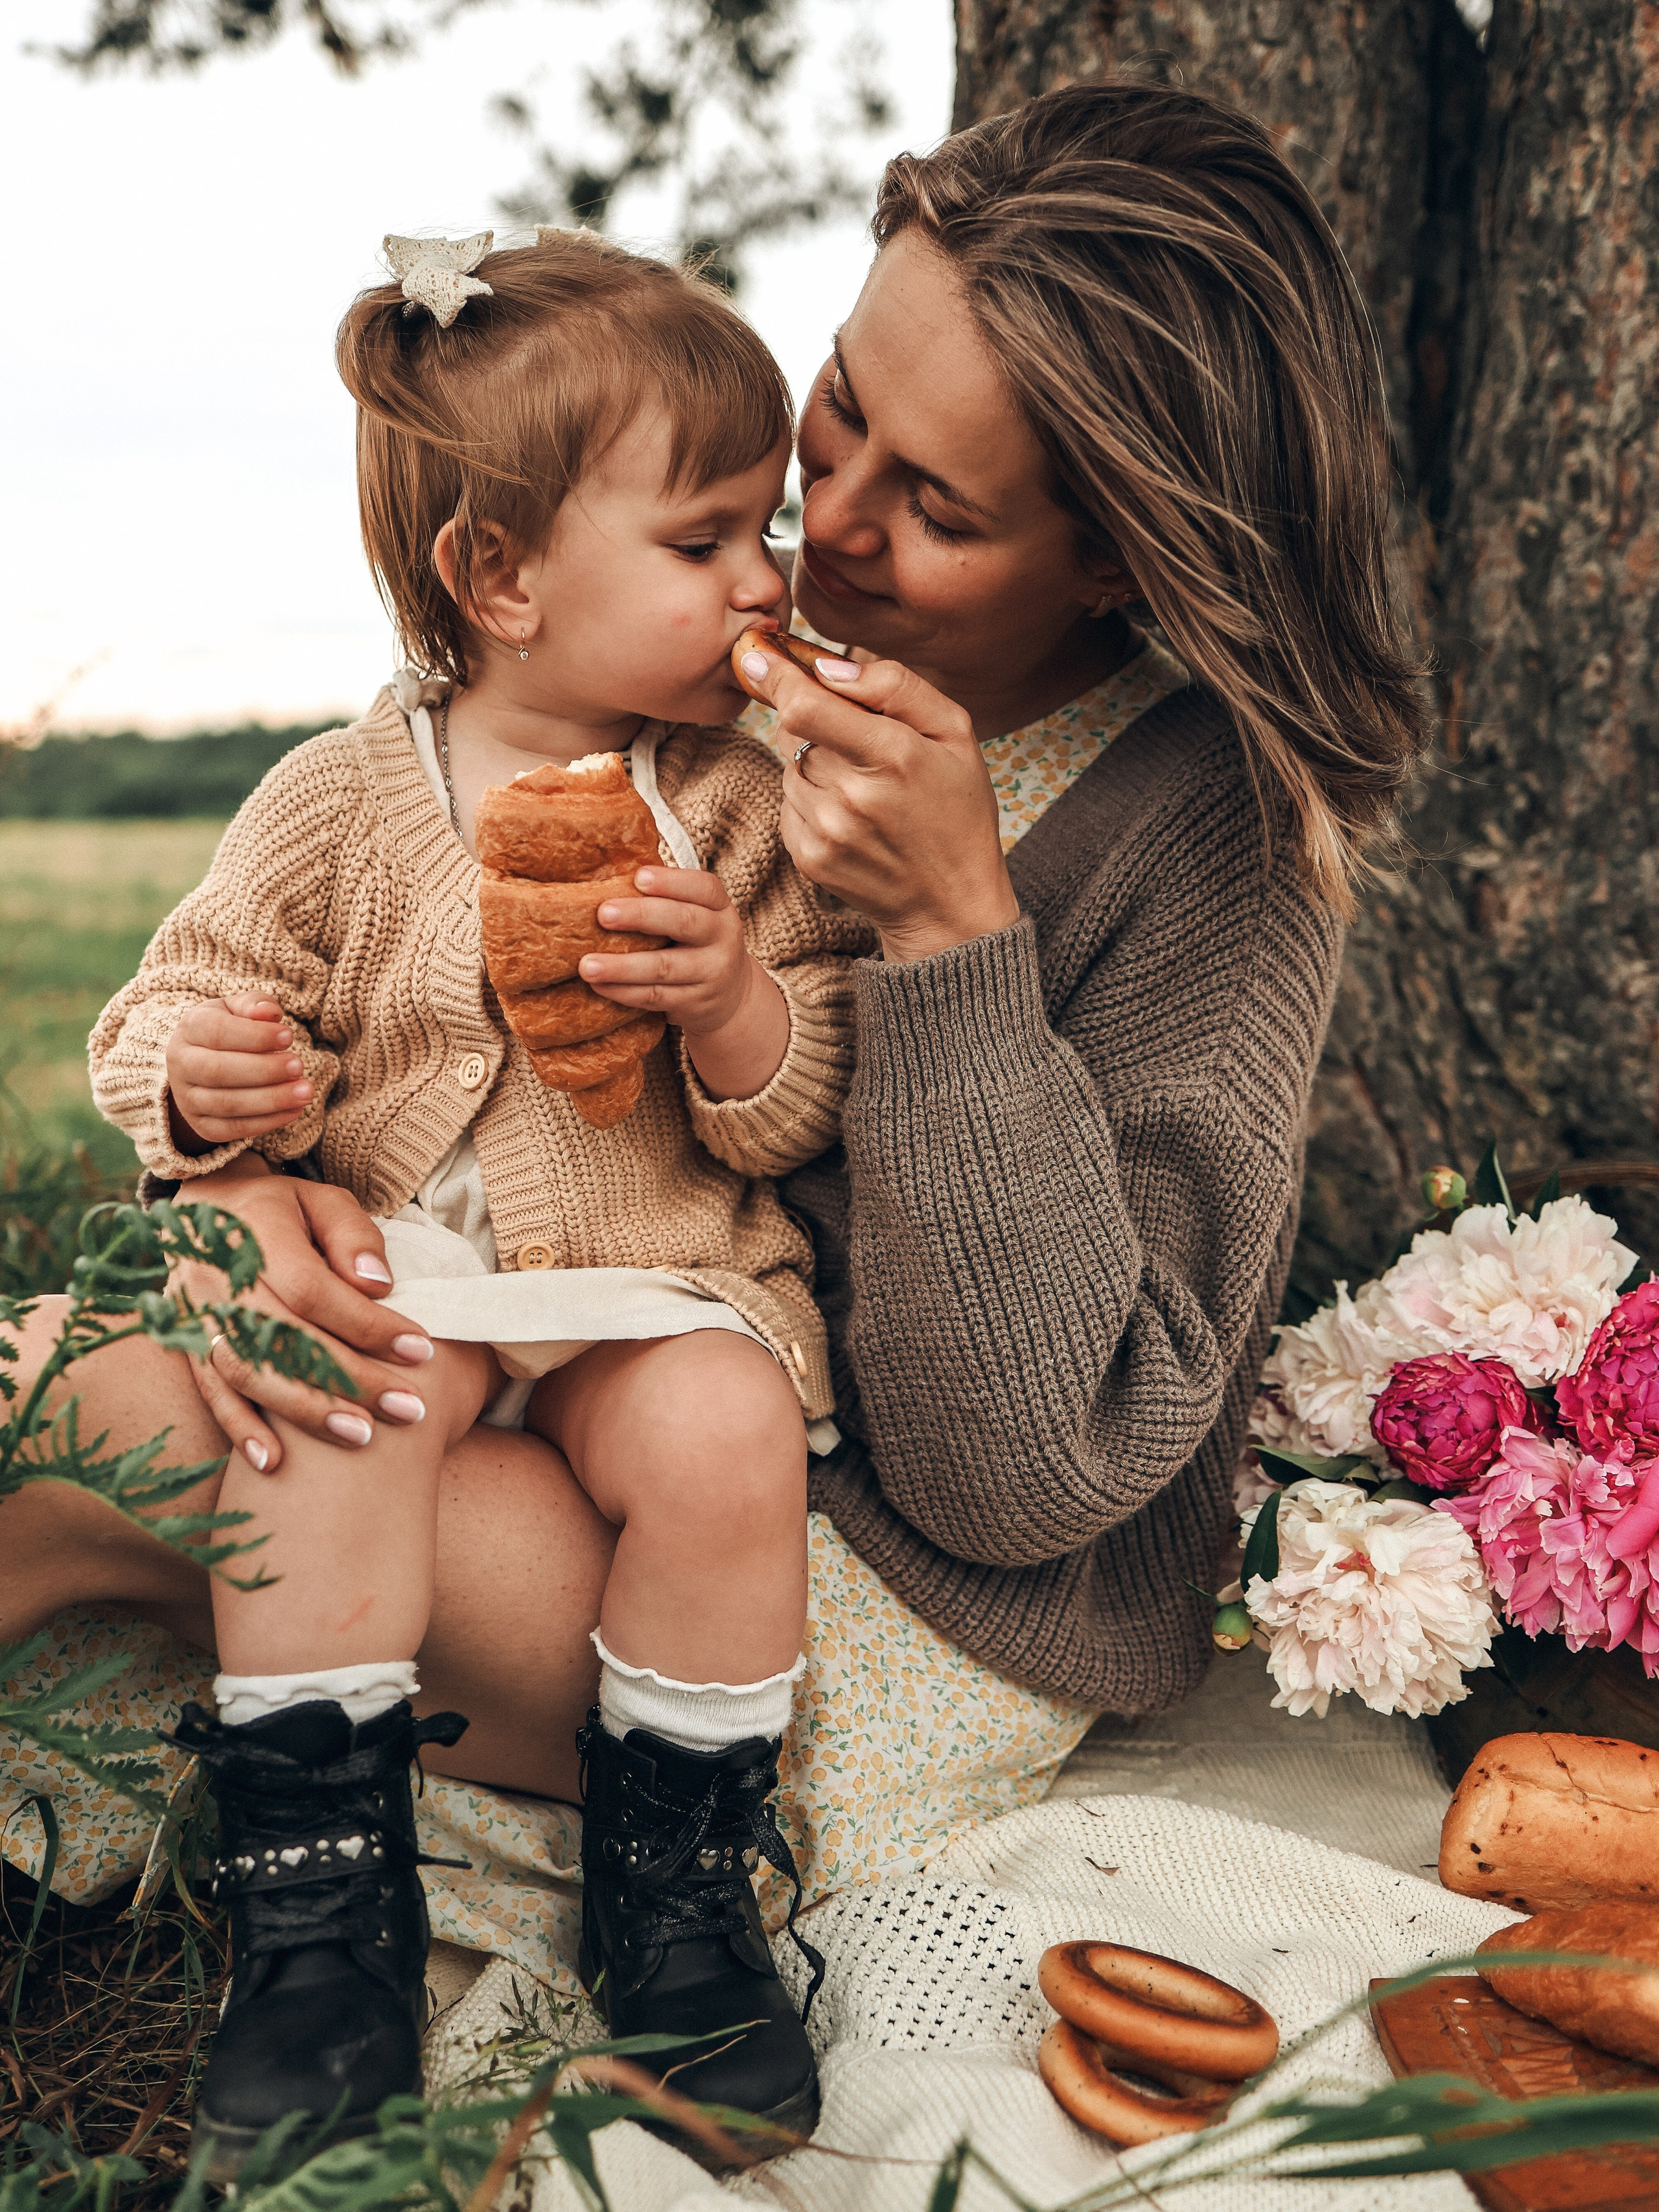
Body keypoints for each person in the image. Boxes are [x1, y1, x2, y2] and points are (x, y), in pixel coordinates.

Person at [1, 75, 1424, 2148]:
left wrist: (951, 935)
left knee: (119, 1420)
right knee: (196, 1392)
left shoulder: (1206, 834)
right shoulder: (698, 693)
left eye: (930, 506)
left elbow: (1033, 1476)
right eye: (836, 413)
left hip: (853, 1588)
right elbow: (397, 1006)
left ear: (1119, 559)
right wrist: (263, 1174)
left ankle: (463, 1882)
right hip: (548, 1378)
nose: (818, 531)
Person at [75, 227, 874, 2169]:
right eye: (704, 542)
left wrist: (738, 1009)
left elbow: (804, 1110)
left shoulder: (744, 800)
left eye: (761, 527)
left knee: (723, 1417)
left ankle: (680, 1891)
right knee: (324, 1394)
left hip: (644, 1285)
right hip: (408, 1275)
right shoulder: (346, 797)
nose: (764, 577)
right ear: (499, 577)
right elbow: (165, 1001)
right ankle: (324, 1907)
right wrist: (208, 1083)